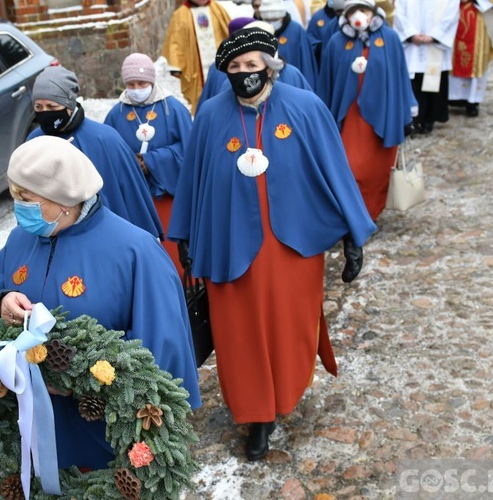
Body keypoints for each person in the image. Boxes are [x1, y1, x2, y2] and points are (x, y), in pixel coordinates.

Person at [169, 27, 376, 461]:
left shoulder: (304, 107)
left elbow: (335, 171)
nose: (244, 73)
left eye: (252, 65)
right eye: (235, 67)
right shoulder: (209, 116)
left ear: (270, 66)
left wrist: (354, 237)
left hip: (292, 247)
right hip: (229, 244)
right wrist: (186, 235)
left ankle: (284, 392)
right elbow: (193, 180)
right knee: (238, 332)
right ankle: (256, 416)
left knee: (287, 325)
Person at [0, 135, 201, 470]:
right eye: (15, 197)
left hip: (104, 437)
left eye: (28, 199)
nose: (19, 209)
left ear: (65, 199)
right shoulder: (20, 239)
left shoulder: (135, 252)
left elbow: (162, 355)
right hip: (32, 427)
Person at [27, 66, 163, 239]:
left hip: (105, 237)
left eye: (52, 106)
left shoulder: (105, 139)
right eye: (38, 106)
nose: (45, 112)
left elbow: (131, 194)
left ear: (69, 104)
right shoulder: (33, 142)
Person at [317, 0, 414, 220]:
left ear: (373, 12)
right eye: (353, 11)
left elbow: (400, 76)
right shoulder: (336, 42)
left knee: (378, 171)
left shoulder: (389, 38)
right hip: (349, 117)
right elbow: (327, 81)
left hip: (383, 117)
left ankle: (371, 214)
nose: (359, 15)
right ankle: (353, 214)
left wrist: (406, 113)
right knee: (352, 167)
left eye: (364, 10)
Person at [103, 53, 193, 274]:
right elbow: (108, 154)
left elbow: (190, 151)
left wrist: (152, 161)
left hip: (169, 200)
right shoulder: (116, 114)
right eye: (131, 84)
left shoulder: (172, 109)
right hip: (135, 200)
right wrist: (129, 163)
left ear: (152, 81)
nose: (136, 88)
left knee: (172, 257)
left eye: (141, 83)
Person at [197, 19, 313, 113]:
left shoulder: (304, 103)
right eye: (234, 66)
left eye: (251, 65)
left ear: (269, 69)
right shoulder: (211, 111)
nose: (242, 71)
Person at [394, 0, 461, 134]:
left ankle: (429, 120)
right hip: (411, 47)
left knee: (433, 83)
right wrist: (411, 34)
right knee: (413, 83)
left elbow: (451, 14)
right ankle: (413, 120)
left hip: (435, 44)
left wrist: (435, 35)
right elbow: (397, 12)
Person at [162, 0, 231, 114]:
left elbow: (228, 30)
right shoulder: (180, 15)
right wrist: (175, 65)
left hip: (219, 66)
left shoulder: (217, 9)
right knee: (200, 97)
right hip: (195, 66)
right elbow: (175, 41)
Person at [448, 0, 493, 117]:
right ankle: (451, 97)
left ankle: (472, 101)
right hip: (453, 12)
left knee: (477, 57)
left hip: (478, 14)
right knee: (450, 55)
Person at [258, 0, 319, 88]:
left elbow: (306, 63)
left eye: (275, 20)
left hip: (293, 83)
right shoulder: (257, 30)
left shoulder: (296, 30)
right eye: (268, 20)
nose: (272, 23)